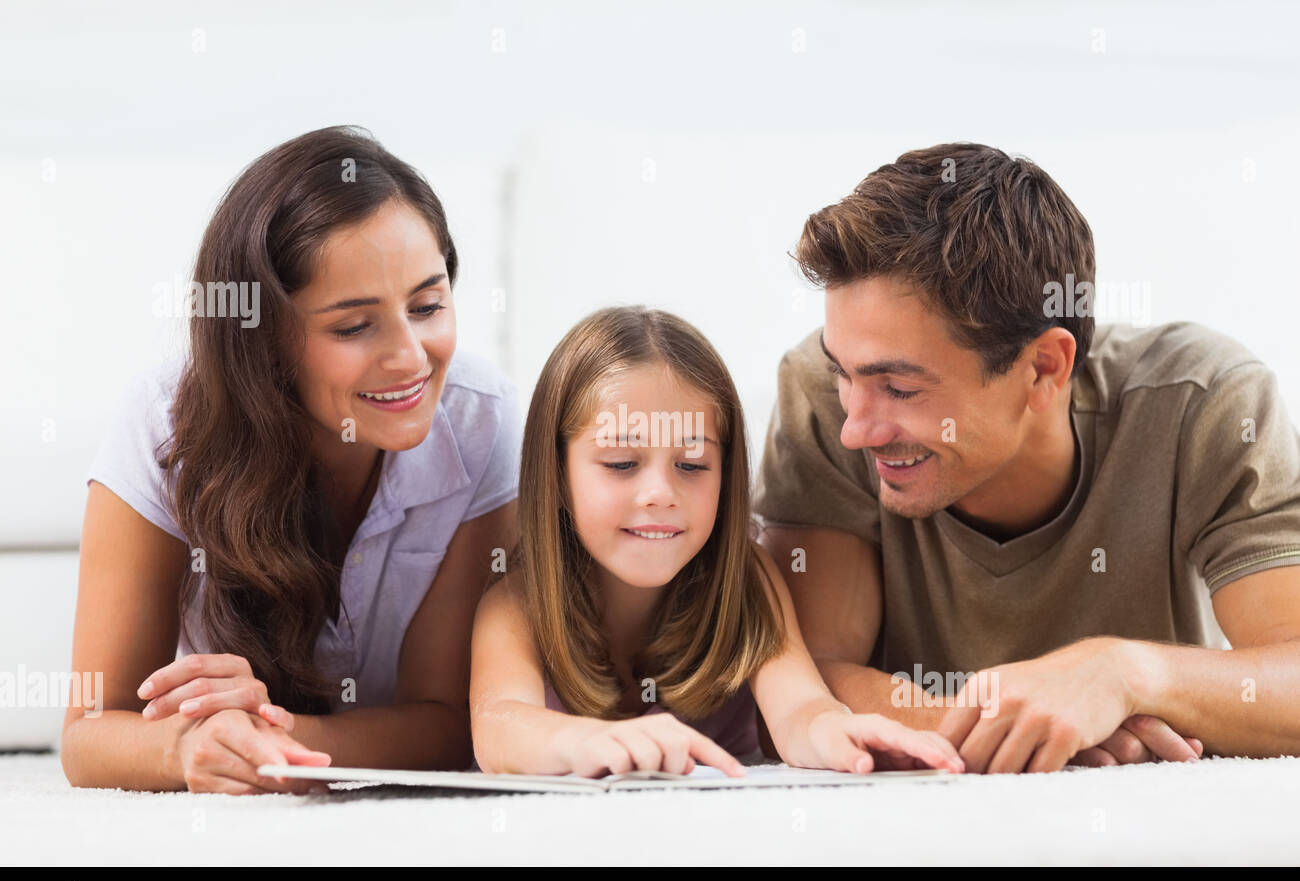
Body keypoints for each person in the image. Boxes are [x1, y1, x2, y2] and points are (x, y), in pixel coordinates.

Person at [754, 142, 1300, 773]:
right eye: (843, 373)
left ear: (1045, 367)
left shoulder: (1204, 401)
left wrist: (1121, 673)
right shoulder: (823, 399)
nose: (856, 429)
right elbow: (807, 680)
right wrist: (1016, 724)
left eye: (900, 389)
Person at [63, 126, 521, 793]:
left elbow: (451, 724)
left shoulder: (485, 422)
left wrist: (278, 741)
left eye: (427, 305)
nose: (411, 357)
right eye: (354, 325)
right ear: (265, 342)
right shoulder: (161, 426)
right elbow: (89, 732)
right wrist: (187, 748)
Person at [469, 306, 964, 777]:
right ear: (556, 474)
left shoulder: (748, 580)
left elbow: (799, 712)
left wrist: (838, 733)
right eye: (621, 464)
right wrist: (580, 743)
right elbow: (498, 726)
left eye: (691, 465)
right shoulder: (516, 603)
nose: (661, 494)